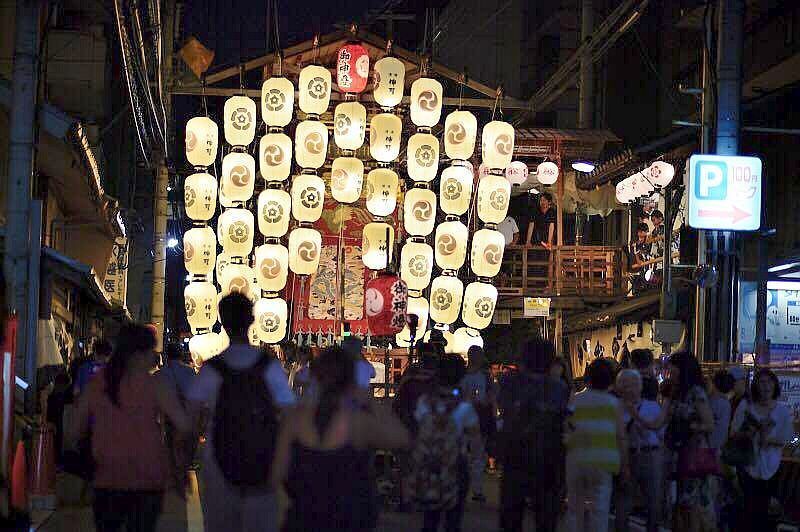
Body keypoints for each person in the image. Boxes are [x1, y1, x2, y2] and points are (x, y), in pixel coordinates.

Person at [186, 293, 295, 532]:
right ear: (251, 320)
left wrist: (181, 462)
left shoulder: (212, 368)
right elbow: (290, 415)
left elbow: (190, 421)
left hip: (218, 461)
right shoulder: (269, 366)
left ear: (222, 322)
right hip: (263, 461)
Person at [273, 346, 409, 531]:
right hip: (351, 518)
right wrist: (367, 399)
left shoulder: (295, 420)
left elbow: (276, 473)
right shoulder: (358, 422)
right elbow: (402, 438)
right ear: (350, 381)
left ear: (316, 377)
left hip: (304, 518)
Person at [74, 324, 190, 532]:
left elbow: (75, 429)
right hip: (148, 481)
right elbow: (183, 425)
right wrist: (176, 462)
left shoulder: (98, 383)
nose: (153, 357)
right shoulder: (155, 385)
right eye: (151, 351)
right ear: (140, 353)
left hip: (107, 479)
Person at [630, 351, 716, 531]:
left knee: (689, 503)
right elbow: (658, 422)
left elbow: (708, 423)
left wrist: (688, 427)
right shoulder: (674, 391)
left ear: (682, 368)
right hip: (675, 453)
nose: (669, 369)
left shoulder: (696, 393)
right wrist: (636, 415)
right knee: (678, 502)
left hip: (693, 453)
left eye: (673, 366)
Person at [498, 338, 570, 532]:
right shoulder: (558, 388)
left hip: (515, 455)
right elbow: (561, 421)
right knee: (545, 519)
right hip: (548, 458)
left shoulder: (509, 382)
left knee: (511, 516)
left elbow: (504, 411)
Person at [410, 353, 479, 532]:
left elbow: (419, 429)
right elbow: (475, 440)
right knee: (453, 520)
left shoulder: (425, 402)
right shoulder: (465, 407)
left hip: (430, 464)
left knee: (430, 519)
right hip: (456, 463)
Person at [564, 358, 628, 532]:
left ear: (588, 379)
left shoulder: (576, 400)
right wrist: (625, 467)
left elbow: (566, 426)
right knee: (599, 510)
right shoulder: (615, 404)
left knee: (574, 507)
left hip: (576, 459)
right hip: (604, 462)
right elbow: (621, 437)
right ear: (611, 381)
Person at [730, 369, 793, 532]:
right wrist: (750, 433)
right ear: (755, 385)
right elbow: (733, 433)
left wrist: (769, 439)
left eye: (769, 382)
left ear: (775, 385)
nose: (765, 386)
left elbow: (787, 439)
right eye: (762, 382)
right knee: (748, 509)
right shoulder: (746, 407)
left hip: (772, 466)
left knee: (767, 510)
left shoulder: (782, 411)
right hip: (747, 465)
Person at [614, 369, 664, 532]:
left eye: (634, 384)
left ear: (641, 387)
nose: (630, 388)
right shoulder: (615, 407)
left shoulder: (653, 406)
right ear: (619, 387)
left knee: (654, 502)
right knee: (624, 501)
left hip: (650, 454)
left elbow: (661, 434)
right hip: (626, 456)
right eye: (626, 385)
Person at [158, 342, 198, 488]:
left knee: (170, 442)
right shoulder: (189, 371)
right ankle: (182, 471)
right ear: (181, 355)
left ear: (167, 355)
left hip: (169, 414)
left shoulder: (162, 372)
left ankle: (174, 472)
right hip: (186, 412)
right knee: (185, 443)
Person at [459, 346, 495, 503]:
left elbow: (492, 394)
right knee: (471, 454)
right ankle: (473, 489)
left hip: (478, 417)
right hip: (467, 417)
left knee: (476, 454)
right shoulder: (463, 375)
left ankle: (476, 489)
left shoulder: (484, 376)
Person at [709, 370, 734, 451]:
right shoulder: (726, 403)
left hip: (710, 446)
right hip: (720, 445)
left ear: (714, 384)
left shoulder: (714, 402)